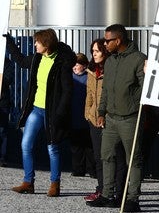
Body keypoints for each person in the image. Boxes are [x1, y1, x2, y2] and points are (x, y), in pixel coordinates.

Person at [5, 29, 75, 196]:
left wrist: (60, 113)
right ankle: (28, 182)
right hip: (36, 109)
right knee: (25, 144)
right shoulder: (37, 58)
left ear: (47, 44)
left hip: (52, 112)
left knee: (53, 147)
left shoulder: (61, 62)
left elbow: (67, 90)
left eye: (37, 42)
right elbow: (21, 61)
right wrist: (9, 42)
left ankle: (55, 184)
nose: (34, 44)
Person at [87, 24, 146, 213]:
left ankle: (132, 199)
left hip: (130, 118)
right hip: (111, 119)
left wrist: (133, 107)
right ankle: (107, 195)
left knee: (133, 160)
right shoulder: (111, 61)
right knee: (107, 156)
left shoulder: (138, 60)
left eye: (108, 40)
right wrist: (101, 112)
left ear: (118, 40)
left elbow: (144, 89)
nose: (105, 44)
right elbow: (105, 90)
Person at [84, 38, 127, 203]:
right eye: (92, 51)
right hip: (94, 118)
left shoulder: (113, 69)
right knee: (99, 156)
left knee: (116, 156)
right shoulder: (91, 70)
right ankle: (102, 189)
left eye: (97, 51)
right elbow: (89, 93)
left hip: (111, 118)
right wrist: (88, 113)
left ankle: (119, 191)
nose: (94, 54)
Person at [70, 52, 95, 177]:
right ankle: (78, 169)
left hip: (86, 115)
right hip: (74, 113)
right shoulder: (70, 77)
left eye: (77, 64)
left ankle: (92, 169)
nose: (75, 67)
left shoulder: (88, 77)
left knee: (89, 145)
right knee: (75, 145)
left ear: (84, 65)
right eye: (73, 64)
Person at [0, 57, 14, 166]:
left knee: (2, 130)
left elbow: (8, 79)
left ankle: (1, 157)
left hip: (3, 100)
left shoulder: (7, 63)